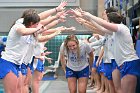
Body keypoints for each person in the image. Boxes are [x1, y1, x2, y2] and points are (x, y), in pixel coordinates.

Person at [80, 9, 140, 93]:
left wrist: (89, 15)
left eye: (106, 19)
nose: (104, 20)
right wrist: (89, 18)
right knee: (119, 89)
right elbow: (100, 27)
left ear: (110, 21)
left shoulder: (121, 28)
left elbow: (103, 24)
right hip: (123, 63)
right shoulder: (113, 32)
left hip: (129, 62)